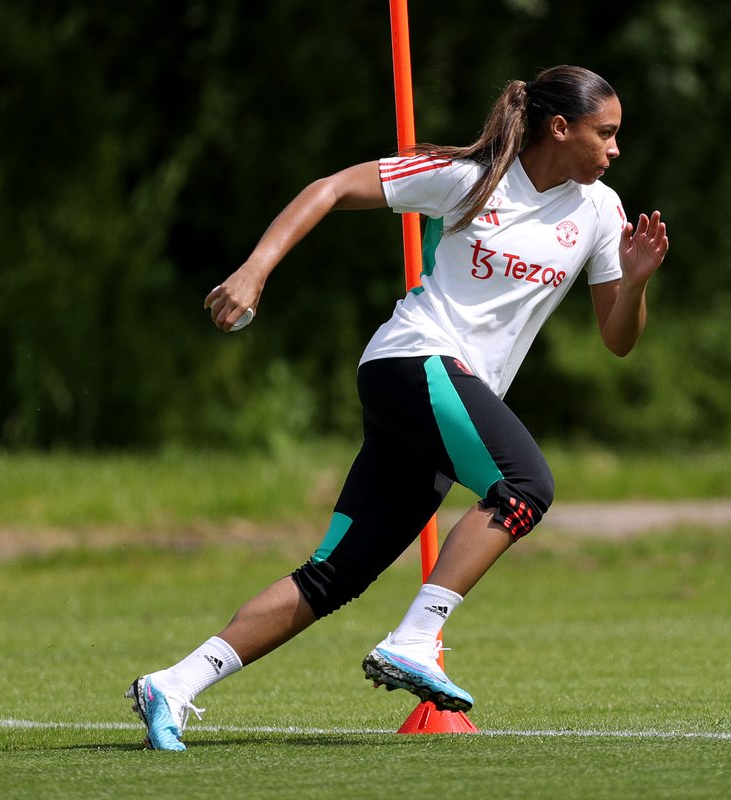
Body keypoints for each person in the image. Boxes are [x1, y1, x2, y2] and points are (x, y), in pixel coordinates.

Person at [125, 64, 670, 750]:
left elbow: (618, 340)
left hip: (437, 393)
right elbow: (328, 189)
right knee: (526, 485)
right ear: (560, 128)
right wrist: (253, 270)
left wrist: (638, 283)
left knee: (335, 574)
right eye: (606, 133)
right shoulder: (469, 175)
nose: (616, 149)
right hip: (411, 361)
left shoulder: (601, 211)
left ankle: (172, 684)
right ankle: (416, 637)